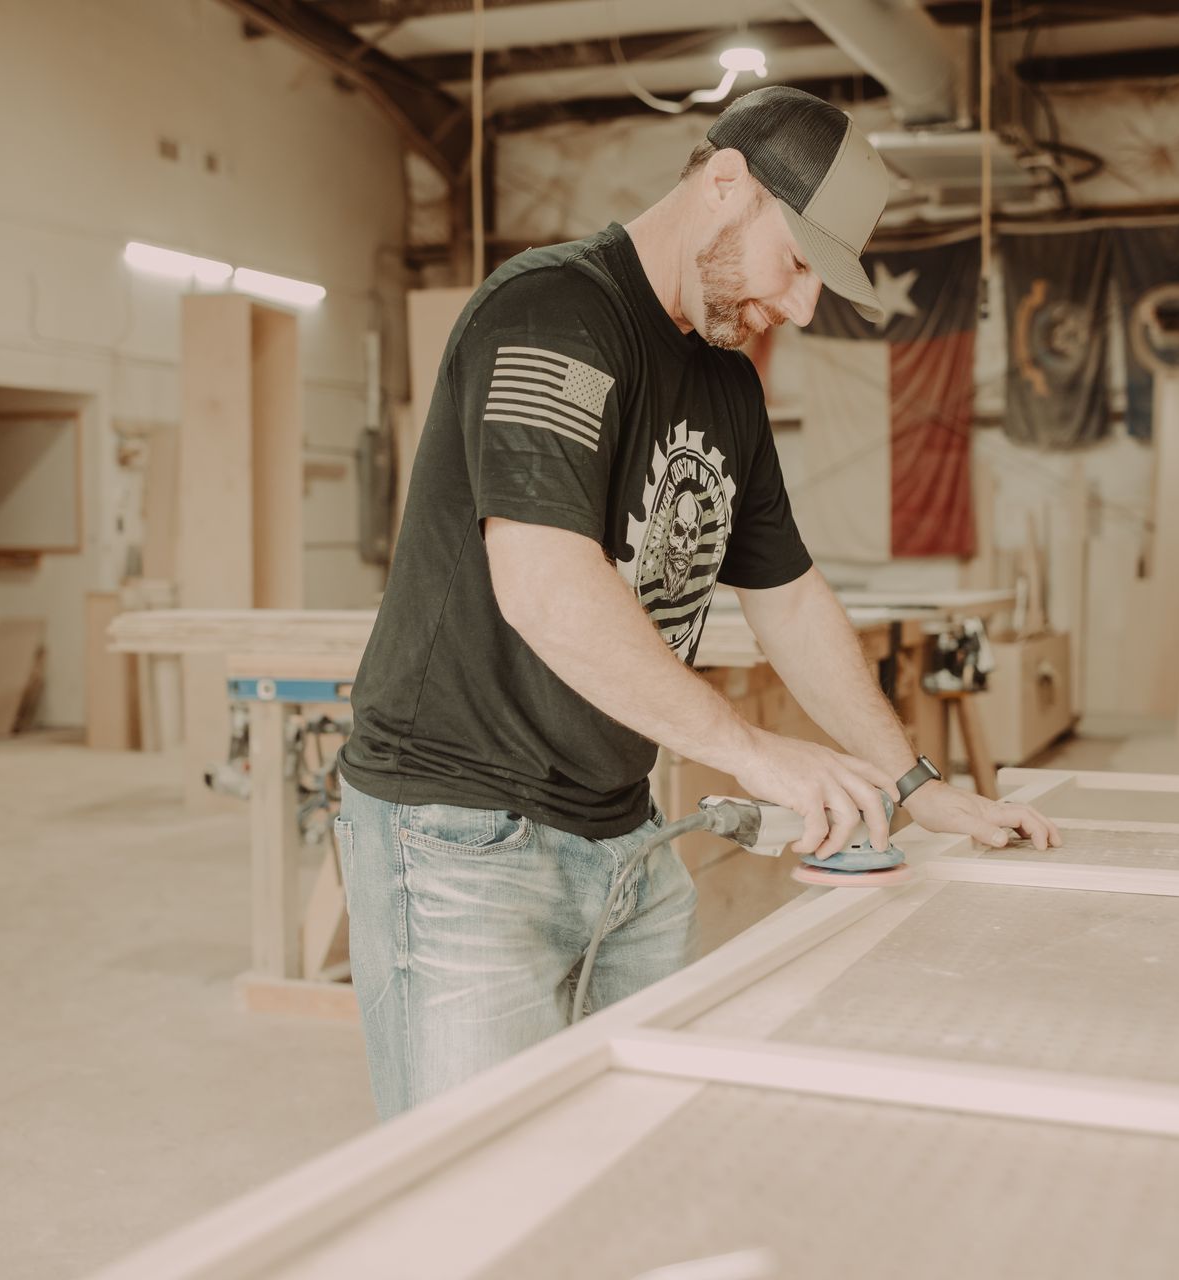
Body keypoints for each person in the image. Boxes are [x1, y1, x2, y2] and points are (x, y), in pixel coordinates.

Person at [336, 85, 1061, 1119]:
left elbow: (791, 597)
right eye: (799, 262)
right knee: (473, 1183)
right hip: (462, 835)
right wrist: (758, 753)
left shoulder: (727, 384)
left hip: (621, 833)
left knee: (632, 1148)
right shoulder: (554, 313)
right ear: (726, 185)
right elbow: (544, 583)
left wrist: (915, 785)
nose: (806, 307)